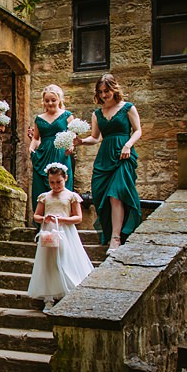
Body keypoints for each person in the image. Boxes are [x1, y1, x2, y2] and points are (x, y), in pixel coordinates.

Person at [75, 73, 142, 251]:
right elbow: (95, 138)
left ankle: (116, 238)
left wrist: (128, 145)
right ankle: (111, 231)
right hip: (104, 157)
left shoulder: (127, 108)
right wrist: (81, 141)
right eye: (101, 91)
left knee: (116, 194)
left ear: (114, 89)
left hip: (123, 156)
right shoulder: (97, 114)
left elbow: (138, 131)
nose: (104, 95)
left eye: (107, 91)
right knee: (101, 196)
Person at [26, 162, 93, 310]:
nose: (55, 186)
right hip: (49, 231)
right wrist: (44, 219)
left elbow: (78, 218)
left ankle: (68, 292)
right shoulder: (44, 197)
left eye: (58, 182)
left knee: (65, 260)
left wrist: (62, 220)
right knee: (48, 262)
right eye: (52, 182)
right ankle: (49, 297)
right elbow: (36, 215)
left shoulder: (72, 196)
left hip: (65, 232)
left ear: (65, 178)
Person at [27, 84, 76, 211]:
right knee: (41, 188)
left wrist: (71, 146)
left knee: (61, 186)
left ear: (59, 100)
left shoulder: (67, 116)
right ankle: (43, 220)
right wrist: (31, 148)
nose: (50, 103)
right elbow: (36, 138)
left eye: (53, 100)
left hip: (61, 154)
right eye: (47, 100)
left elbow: (73, 136)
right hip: (43, 155)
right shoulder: (39, 119)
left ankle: (63, 219)